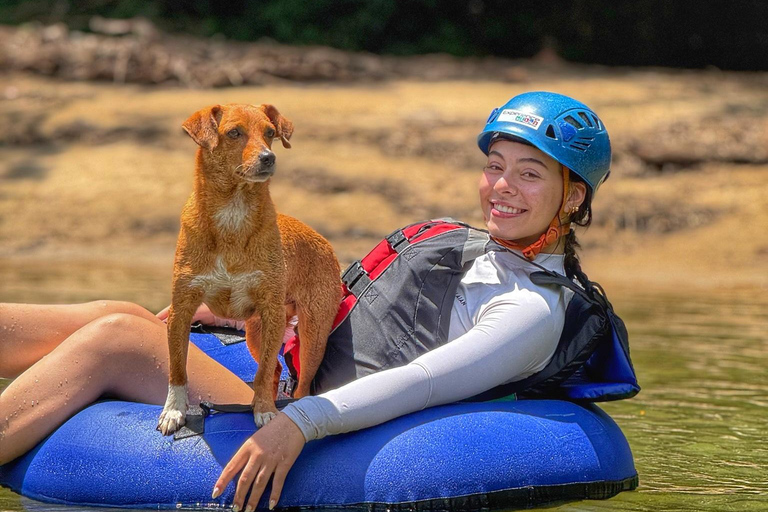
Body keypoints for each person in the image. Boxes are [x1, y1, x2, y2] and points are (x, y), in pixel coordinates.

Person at [0, 91, 611, 511]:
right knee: (124, 312)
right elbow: (358, 312)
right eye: (495, 166)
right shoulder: (480, 250)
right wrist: (239, 311)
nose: (501, 187)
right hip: (300, 371)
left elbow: (422, 381)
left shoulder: (529, 311)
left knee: (120, 341)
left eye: (530, 174)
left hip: (333, 415)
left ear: (574, 196)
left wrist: (299, 421)